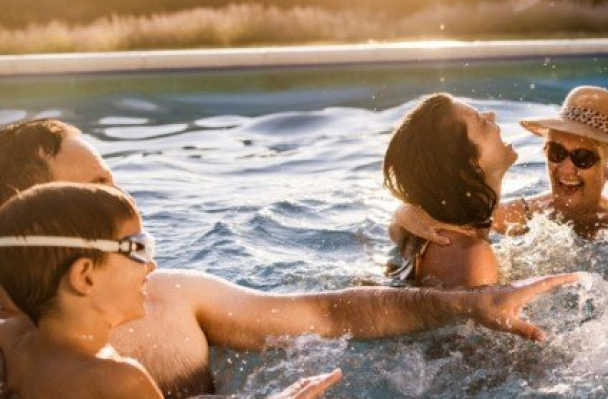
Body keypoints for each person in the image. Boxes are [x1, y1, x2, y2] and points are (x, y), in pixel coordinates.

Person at [0, 119, 579, 398]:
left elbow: (330, 312)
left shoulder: (174, 296)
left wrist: (472, 305)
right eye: (98, 185)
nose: (123, 196)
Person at [0, 183, 344, 399]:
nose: (151, 266)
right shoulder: (119, 378)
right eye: (138, 249)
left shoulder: (11, 345)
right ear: (85, 277)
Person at [391, 86, 608, 243]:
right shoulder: (523, 215)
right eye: (556, 152)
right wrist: (405, 215)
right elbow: (443, 218)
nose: (565, 169)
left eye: (582, 157)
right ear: (544, 151)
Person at [384, 93, 515, 287]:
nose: (492, 116)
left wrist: (402, 213)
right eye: (481, 122)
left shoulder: (424, 232)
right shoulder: (471, 255)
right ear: (470, 164)